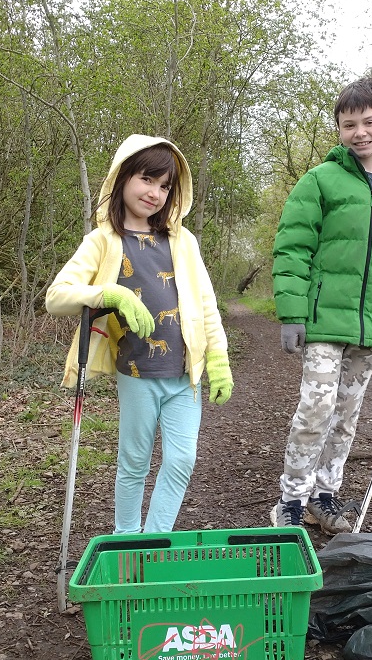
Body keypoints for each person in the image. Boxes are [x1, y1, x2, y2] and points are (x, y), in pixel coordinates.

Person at [46, 134, 233, 534]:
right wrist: (109, 294)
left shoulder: (183, 241)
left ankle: (155, 541)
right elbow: (57, 297)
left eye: (165, 186)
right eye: (147, 179)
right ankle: (127, 540)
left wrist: (218, 358)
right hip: (137, 373)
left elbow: (206, 303)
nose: (155, 193)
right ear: (123, 177)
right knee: (134, 462)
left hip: (186, 376)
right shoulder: (102, 241)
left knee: (182, 460)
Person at [270, 75, 372, 533]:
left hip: (371, 326)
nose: (360, 132)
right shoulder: (320, 180)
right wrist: (292, 314)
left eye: (369, 122)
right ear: (339, 129)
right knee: (316, 410)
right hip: (322, 322)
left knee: (345, 417)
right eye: (349, 124)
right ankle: (291, 501)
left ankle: (324, 496)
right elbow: (293, 248)